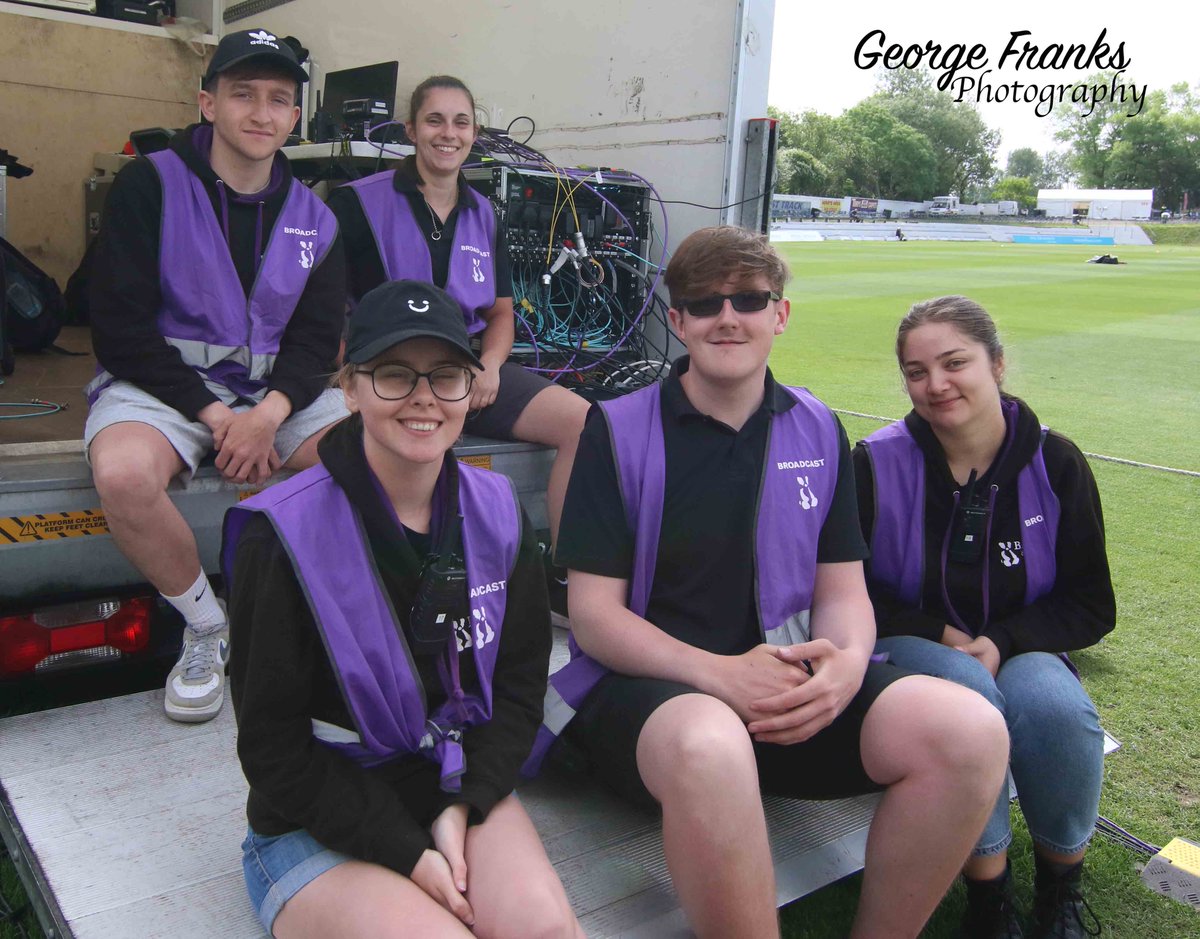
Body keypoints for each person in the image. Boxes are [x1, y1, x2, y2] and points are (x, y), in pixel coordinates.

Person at [533, 226, 1010, 939]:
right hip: (652, 698)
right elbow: (594, 616)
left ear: (778, 314)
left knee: (968, 730)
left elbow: (843, 589)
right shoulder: (617, 428)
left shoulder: (818, 425)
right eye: (705, 302)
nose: (728, 316)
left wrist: (846, 665)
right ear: (678, 320)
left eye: (750, 298)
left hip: (784, 689)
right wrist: (721, 675)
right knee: (712, 742)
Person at [223, 280, 582, 939]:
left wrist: (462, 804)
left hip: (451, 778)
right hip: (313, 818)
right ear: (351, 389)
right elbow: (273, 749)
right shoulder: (283, 538)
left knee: (547, 929)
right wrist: (407, 849)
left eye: (445, 375)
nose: (422, 397)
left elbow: (519, 685)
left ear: (470, 388)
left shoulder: (499, 511)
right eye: (393, 374)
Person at [83, 28, 348, 723]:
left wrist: (268, 415)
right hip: (168, 390)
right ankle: (205, 624)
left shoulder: (317, 218)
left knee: (376, 458)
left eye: (279, 100)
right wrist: (215, 415)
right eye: (243, 95)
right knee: (122, 475)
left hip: (274, 400)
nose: (262, 113)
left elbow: (319, 341)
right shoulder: (150, 184)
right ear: (207, 103)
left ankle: (299, 610)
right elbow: (119, 326)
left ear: (295, 117)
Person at [854, 295, 1114, 939]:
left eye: (954, 362)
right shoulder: (874, 464)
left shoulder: (1057, 463)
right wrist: (943, 635)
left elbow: (1090, 602)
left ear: (997, 365)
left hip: (1020, 644)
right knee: (966, 698)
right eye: (917, 372)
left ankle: (1061, 889)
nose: (936, 384)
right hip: (910, 646)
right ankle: (987, 896)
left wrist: (1003, 640)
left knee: (1056, 710)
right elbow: (847, 587)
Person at [327, 75, 589, 545]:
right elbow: (327, 312)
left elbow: (501, 315)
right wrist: (357, 379)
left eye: (461, 122)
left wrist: (488, 369)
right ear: (411, 130)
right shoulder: (358, 203)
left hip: (468, 371)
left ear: (473, 134)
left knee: (586, 424)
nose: (449, 133)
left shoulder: (485, 214)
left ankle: (568, 574)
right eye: (435, 120)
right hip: (393, 374)